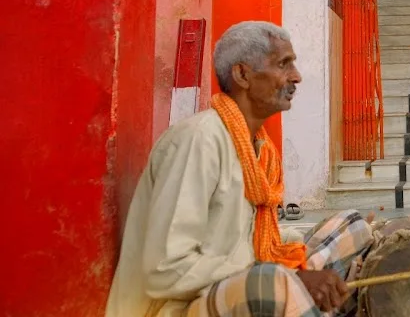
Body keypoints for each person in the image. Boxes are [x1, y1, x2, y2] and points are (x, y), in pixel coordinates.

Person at [106, 21, 373, 317]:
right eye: (283, 64)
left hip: (237, 282)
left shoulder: (258, 147)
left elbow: (248, 241)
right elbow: (165, 269)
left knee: (354, 227)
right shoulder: (199, 140)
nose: (296, 76)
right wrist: (290, 276)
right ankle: (301, 301)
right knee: (273, 284)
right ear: (243, 74)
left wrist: (298, 256)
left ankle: (310, 304)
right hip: (176, 306)